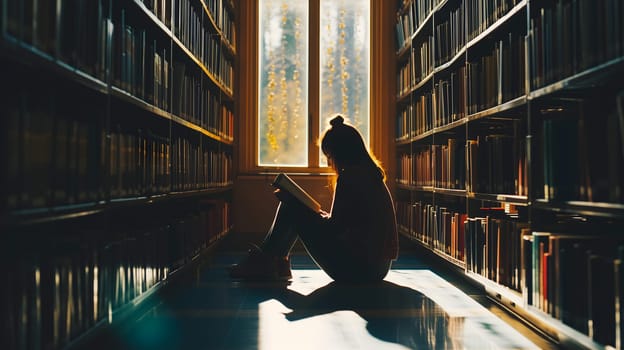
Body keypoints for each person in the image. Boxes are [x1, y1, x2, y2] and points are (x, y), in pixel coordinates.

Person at [229, 115, 398, 283]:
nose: (329, 163)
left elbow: (335, 229)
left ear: (340, 154)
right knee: (295, 206)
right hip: (378, 268)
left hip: (357, 270)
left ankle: (266, 262)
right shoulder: (370, 174)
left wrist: (300, 206)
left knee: (291, 207)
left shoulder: (349, 177)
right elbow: (347, 224)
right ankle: (272, 262)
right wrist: (314, 213)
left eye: (330, 157)